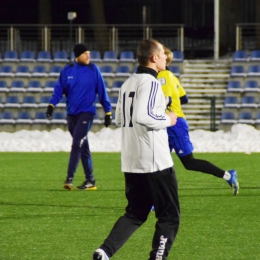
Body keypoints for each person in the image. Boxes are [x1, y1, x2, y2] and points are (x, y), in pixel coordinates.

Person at [92, 39, 180, 260]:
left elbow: (121, 119)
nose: (165, 56)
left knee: (135, 213)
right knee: (169, 217)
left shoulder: (128, 83)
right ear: (153, 58)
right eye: (162, 53)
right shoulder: (151, 83)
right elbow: (143, 116)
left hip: (132, 160)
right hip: (155, 160)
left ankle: (104, 252)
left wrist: (160, 105)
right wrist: (168, 119)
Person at [157, 46, 239, 195]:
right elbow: (185, 98)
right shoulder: (172, 77)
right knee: (159, 163)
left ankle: (228, 175)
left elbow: (165, 100)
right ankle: (156, 200)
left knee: (188, 162)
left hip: (173, 124)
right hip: (168, 122)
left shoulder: (162, 76)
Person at [46, 43, 112, 191]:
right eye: (85, 54)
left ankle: (69, 178)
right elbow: (58, 90)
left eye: (89, 53)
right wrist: (51, 105)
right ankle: (90, 180)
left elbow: (102, 91)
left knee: (76, 142)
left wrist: (108, 111)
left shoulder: (93, 69)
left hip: (87, 113)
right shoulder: (67, 70)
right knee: (83, 146)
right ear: (77, 56)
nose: (88, 56)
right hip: (71, 114)